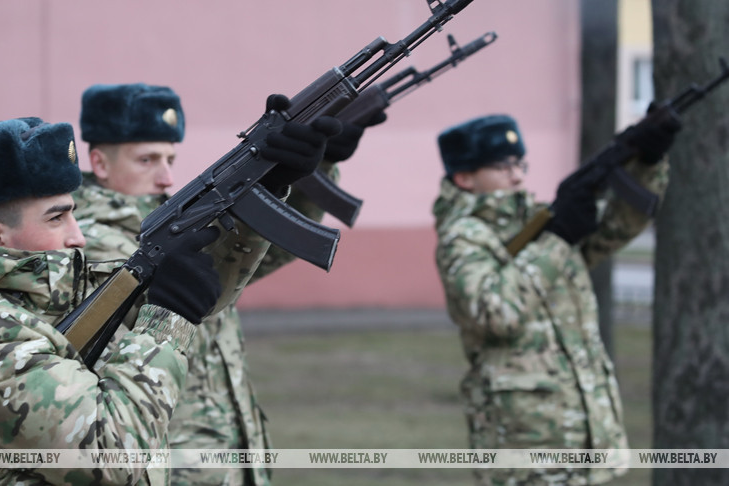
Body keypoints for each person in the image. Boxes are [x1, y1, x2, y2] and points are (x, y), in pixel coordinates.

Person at [0, 110, 334, 484]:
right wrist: (167, 320)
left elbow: (197, 284)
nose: (78, 234)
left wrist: (263, 184)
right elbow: (113, 456)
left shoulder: (53, 291)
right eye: (57, 217)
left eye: (73, 211)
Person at [72, 83, 376, 485]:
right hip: (172, 459)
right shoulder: (86, 242)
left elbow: (250, 261)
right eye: (147, 160)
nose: (165, 177)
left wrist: (295, 177)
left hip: (229, 450)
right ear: (100, 162)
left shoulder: (176, 220)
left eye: (170, 159)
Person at [431, 113, 679, 485]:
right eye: (501, 167)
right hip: (526, 445)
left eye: (519, 164)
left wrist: (647, 162)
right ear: (464, 178)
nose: (516, 176)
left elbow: (616, 229)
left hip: (583, 437)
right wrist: (558, 239)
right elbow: (494, 312)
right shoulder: (464, 239)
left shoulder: (538, 223)